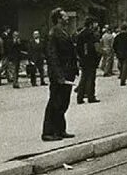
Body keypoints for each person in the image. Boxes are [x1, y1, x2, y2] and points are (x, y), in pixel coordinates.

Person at [42, 8, 77, 141]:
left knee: (63, 103)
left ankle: (60, 129)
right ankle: (48, 132)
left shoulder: (63, 32)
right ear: (58, 19)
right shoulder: (53, 34)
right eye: (64, 16)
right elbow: (52, 56)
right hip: (60, 75)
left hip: (67, 73)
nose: (67, 18)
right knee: (55, 103)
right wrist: (59, 75)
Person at [75, 17, 101, 104]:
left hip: (83, 58)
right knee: (91, 78)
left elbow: (78, 48)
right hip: (91, 58)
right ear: (91, 24)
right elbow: (96, 48)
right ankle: (91, 96)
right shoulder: (92, 34)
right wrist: (98, 56)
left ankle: (80, 97)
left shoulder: (80, 34)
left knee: (83, 78)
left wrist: (81, 56)